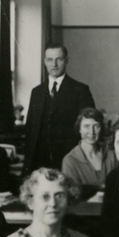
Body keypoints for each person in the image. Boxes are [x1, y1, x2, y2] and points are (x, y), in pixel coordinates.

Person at [22, 44, 95, 172]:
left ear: (67, 60)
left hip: (68, 159)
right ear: (45, 61)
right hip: (38, 160)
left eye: (59, 59)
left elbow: (88, 128)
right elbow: (30, 129)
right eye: (50, 60)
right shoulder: (37, 92)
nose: (54, 64)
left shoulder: (80, 90)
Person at [61, 108, 117, 200]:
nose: (91, 132)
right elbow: (72, 198)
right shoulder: (70, 161)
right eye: (86, 126)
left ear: (101, 128)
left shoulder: (112, 155)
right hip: (84, 208)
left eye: (96, 126)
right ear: (79, 129)